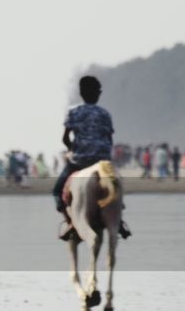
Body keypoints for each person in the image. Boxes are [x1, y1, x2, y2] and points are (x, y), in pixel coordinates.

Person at [52, 75, 132, 240]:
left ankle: (70, 223)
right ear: (98, 94)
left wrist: (71, 149)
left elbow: (65, 138)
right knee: (117, 187)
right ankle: (119, 222)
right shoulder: (105, 113)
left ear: (81, 93)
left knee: (57, 190)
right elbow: (109, 139)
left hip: (80, 160)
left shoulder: (74, 112)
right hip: (102, 161)